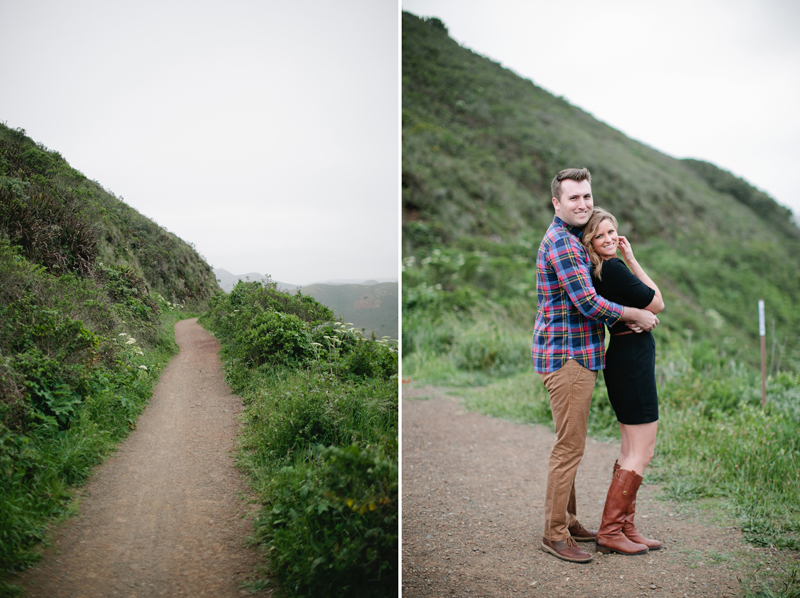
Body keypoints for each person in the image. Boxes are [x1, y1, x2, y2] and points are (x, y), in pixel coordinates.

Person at [533, 168, 659, 564]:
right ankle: (554, 533)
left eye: (587, 196)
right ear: (557, 202)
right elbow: (588, 303)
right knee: (569, 448)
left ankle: (568, 521)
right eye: (574, 198)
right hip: (568, 357)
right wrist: (635, 314)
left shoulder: (572, 239)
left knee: (569, 443)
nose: (583, 204)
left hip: (574, 354)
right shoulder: (564, 245)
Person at [581, 207, 664, 555]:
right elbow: (657, 301)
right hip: (631, 361)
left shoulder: (598, 270)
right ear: (591, 242)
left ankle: (624, 527)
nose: (609, 239)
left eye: (612, 231)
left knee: (631, 450)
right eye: (600, 235)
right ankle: (611, 530)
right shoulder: (612, 268)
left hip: (622, 357)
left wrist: (625, 255)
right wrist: (631, 259)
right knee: (642, 451)